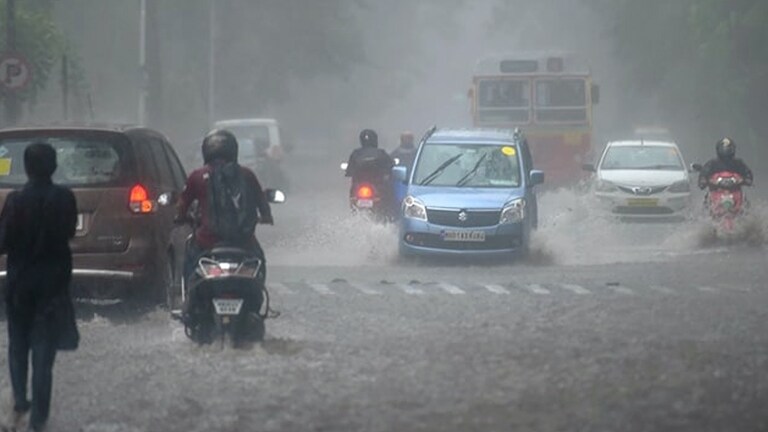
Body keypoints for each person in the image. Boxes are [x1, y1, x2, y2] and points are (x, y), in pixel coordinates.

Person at [0, 142, 78, 432]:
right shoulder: (65, 198)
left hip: (20, 285)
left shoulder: (15, 201)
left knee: (18, 346)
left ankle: (20, 399)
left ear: (27, 168)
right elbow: (69, 231)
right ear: (54, 167)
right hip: (53, 287)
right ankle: (38, 422)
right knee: (44, 357)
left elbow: (3, 241)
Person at [177, 129, 273, 278]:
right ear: (233, 150)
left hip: (207, 242)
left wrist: (180, 218)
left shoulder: (197, 176)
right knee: (259, 261)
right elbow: (261, 202)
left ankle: (187, 296)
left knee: (190, 259)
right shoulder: (247, 175)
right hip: (244, 242)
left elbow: (183, 204)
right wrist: (266, 217)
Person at [345, 129, 395, 203]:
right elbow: (390, 165)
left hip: (362, 185)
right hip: (376, 185)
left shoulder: (356, 153)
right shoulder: (381, 153)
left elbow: (349, 170)